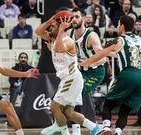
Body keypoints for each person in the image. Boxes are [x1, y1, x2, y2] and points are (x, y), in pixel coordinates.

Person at [35, 7, 110, 135]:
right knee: (68, 112)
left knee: (55, 106)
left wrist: (61, 30)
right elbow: (38, 31)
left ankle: (63, 130)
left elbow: (59, 49)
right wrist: (50, 21)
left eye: (52, 26)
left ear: (60, 27)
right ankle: (95, 128)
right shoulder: (55, 37)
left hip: (74, 78)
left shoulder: (68, 41)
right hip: (69, 78)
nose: (49, 29)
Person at [79, 15, 141, 135]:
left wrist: (83, 63)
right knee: (125, 111)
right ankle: (117, 132)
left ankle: (106, 127)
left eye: (117, 25)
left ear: (121, 26)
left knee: (108, 104)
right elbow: (118, 54)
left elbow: (101, 54)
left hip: (129, 74)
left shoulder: (120, 39)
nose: (117, 27)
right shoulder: (139, 39)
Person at [70, 7, 106, 135]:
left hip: (95, 72)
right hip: (80, 71)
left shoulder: (91, 36)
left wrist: (84, 62)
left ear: (84, 18)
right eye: (72, 17)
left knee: (75, 92)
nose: (73, 19)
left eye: (77, 17)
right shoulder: (69, 35)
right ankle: (79, 129)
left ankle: (85, 129)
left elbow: (104, 59)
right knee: (68, 95)